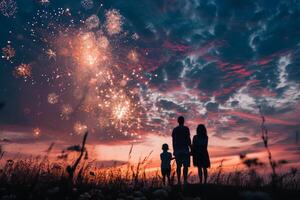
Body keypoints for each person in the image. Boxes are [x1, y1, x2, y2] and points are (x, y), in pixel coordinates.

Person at [172, 116, 191, 184]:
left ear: (178, 121)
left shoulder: (175, 129)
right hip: (185, 150)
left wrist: (174, 150)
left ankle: (179, 181)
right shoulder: (186, 129)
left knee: (178, 166)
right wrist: (191, 148)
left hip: (178, 150)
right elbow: (188, 139)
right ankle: (185, 180)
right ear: (183, 121)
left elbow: (173, 141)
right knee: (185, 166)